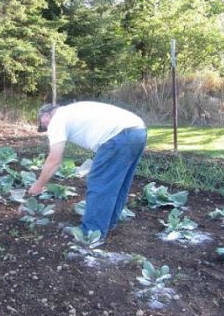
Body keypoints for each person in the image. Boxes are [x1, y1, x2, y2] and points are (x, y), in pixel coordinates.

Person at [28, 101, 147, 239]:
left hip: (118, 137)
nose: (45, 127)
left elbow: (54, 159)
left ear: (46, 115)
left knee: (99, 183)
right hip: (138, 131)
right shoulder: (72, 110)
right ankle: (108, 223)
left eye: (43, 124)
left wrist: (39, 184)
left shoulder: (57, 119)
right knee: (118, 183)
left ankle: (91, 233)